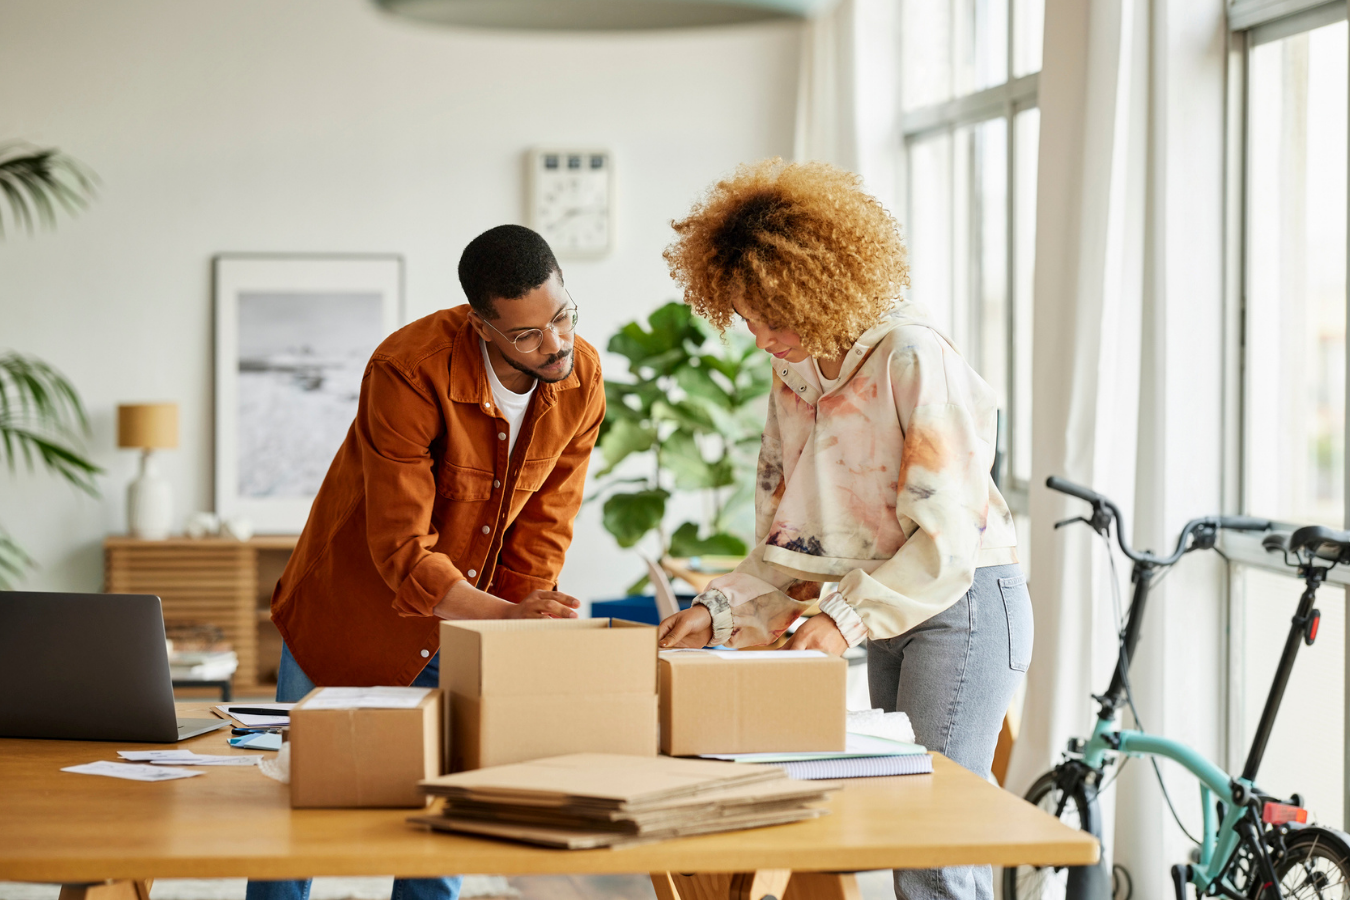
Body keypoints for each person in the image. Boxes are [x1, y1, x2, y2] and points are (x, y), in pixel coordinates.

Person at [656, 160, 1031, 900]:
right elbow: (790, 545)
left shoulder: (910, 356)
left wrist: (843, 618)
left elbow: (947, 542)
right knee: (901, 830)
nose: (761, 338)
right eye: (746, 317)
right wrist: (717, 610)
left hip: (965, 603)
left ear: (816, 286)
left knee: (933, 845)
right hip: (883, 611)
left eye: (773, 315)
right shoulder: (794, 374)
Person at [246, 224, 605, 900]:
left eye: (562, 316)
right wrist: (507, 615)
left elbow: (546, 525)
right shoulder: (407, 368)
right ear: (482, 326)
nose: (555, 343)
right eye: (527, 335)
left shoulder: (581, 376)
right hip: (353, 610)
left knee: (444, 817)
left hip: (475, 620)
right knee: (298, 820)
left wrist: (518, 624)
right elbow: (401, 550)